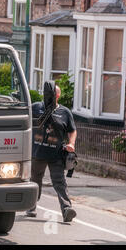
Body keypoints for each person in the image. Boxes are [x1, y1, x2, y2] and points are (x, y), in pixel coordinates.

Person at [27, 81, 77, 222]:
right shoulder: (36, 107)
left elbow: (72, 130)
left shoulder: (65, 112)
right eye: (47, 93)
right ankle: (31, 206)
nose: (49, 95)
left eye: (52, 93)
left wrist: (71, 144)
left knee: (60, 182)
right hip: (38, 152)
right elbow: (24, 119)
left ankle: (67, 209)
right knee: (35, 181)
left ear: (58, 95)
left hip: (56, 154)